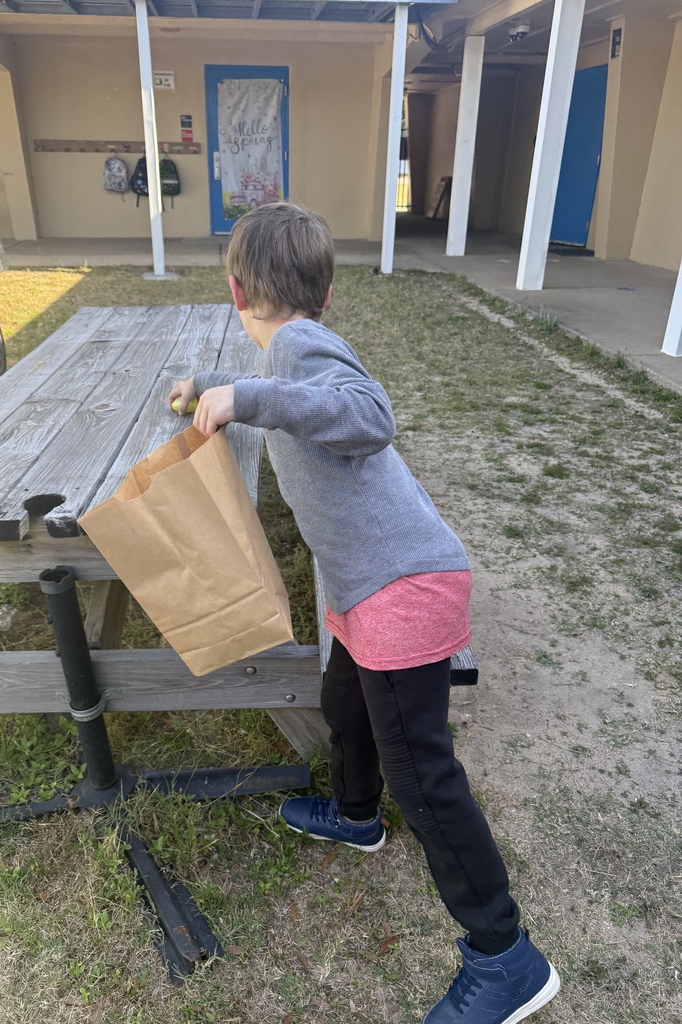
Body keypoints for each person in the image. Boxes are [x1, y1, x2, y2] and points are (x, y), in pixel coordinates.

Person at [168, 202, 560, 1024]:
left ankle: (506, 957)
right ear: (329, 290)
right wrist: (214, 388)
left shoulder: (305, 348)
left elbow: (369, 415)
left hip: (401, 587)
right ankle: (354, 815)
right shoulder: (292, 351)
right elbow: (288, 394)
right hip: (365, 588)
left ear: (236, 290)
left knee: (425, 775)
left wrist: (244, 394)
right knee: (342, 703)